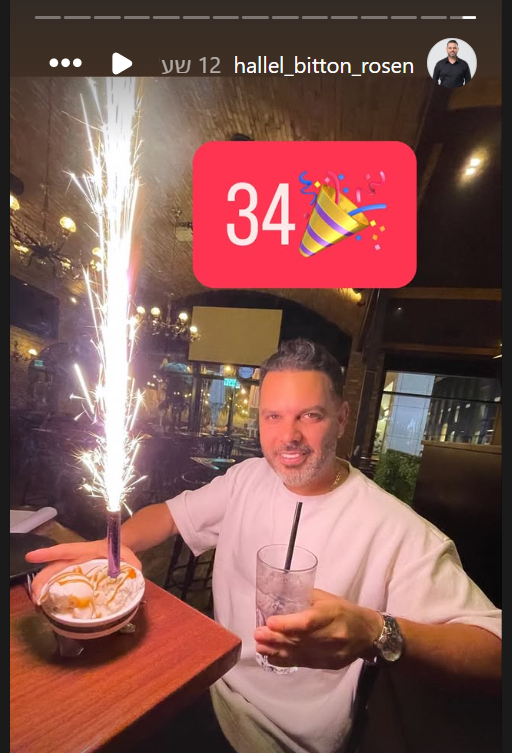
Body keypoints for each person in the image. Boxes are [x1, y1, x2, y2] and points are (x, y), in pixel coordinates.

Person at [27, 339, 501, 753]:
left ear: (341, 418)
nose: (288, 436)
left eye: (309, 416)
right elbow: (168, 515)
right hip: (209, 682)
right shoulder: (247, 478)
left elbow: (494, 652)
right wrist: (109, 547)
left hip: (279, 737)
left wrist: (375, 631)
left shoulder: (396, 528)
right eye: (273, 416)